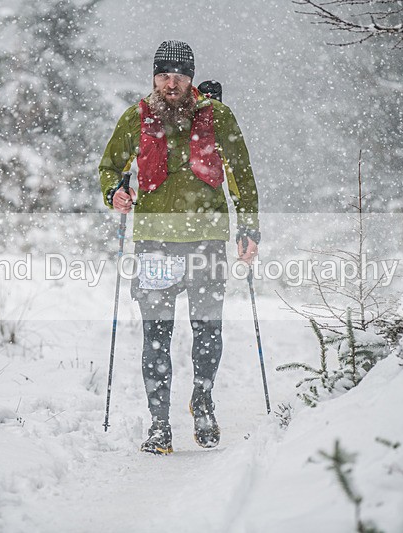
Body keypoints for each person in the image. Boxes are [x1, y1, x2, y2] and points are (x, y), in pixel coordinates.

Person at [99, 40, 259, 455]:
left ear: (191, 79)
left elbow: (241, 176)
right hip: (154, 243)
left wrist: (248, 229)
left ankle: (202, 400)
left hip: (207, 240)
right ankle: (159, 425)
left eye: (180, 76)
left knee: (207, 329)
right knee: (156, 335)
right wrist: (115, 192)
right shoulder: (136, 118)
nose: (171, 84)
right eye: (164, 76)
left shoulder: (217, 116)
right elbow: (110, 167)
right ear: (154, 78)